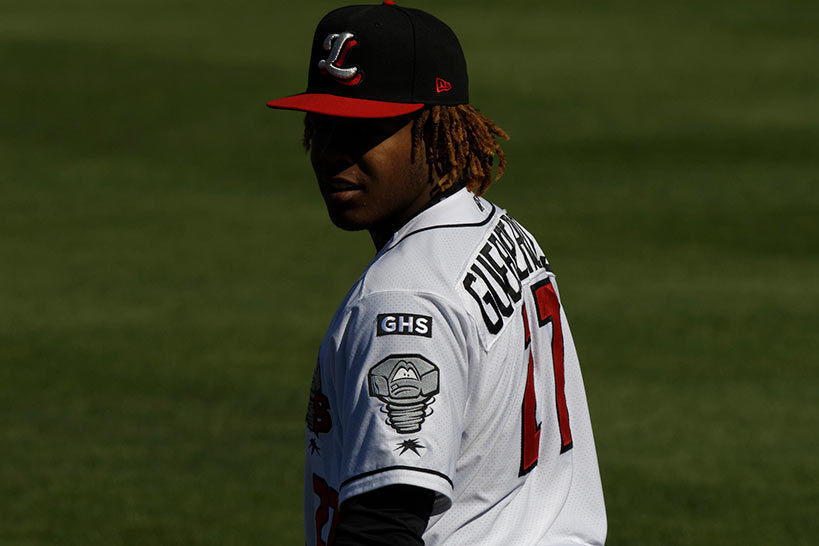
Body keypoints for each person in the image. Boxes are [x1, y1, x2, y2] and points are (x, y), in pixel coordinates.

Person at [267, 2, 606, 545]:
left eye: (364, 128)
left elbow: (384, 524)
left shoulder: (402, 298)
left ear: (435, 127)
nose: (332, 152)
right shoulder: (494, 229)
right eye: (324, 122)